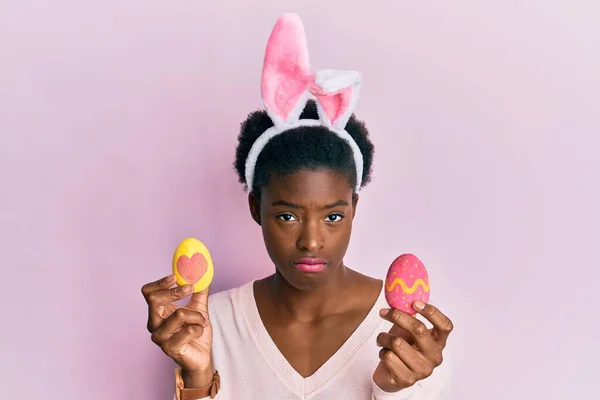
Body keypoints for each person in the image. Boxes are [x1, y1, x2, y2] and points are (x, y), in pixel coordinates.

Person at [141, 13, 454, 400]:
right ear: (256, 208)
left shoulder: (406, 337)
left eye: (333, 216)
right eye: (287, 216)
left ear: (354, 208)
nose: (311, 241)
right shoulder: (211, 324)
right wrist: (198, 377)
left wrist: (397, 390)